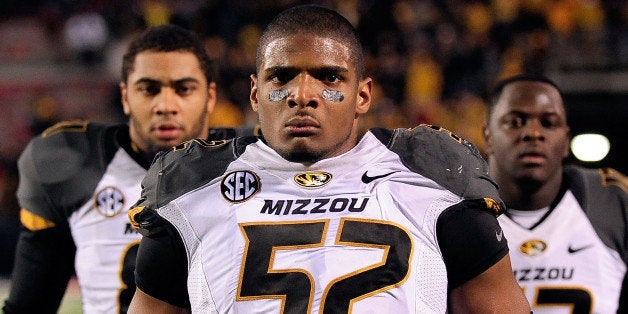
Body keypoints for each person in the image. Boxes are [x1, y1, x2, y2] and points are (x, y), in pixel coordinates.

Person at [127, 5, 530, 313]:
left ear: (363, 95)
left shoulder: (435, 178)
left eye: (330, 77)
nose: (303, 94)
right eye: (281, 77)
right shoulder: (190, 190)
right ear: (254, 93)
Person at [3, 24, 246, 314]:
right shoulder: (72, 163)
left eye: (184, 89)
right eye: (148, 89)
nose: (165, 105)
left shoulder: (251, 161)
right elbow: (30, 306)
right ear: (125, 97)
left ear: (209, 97)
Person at [483, 74, 628, 313]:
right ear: (488, 136)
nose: (533, 133)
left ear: (566, 140)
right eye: (515, 122)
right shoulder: (452, 210)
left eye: (548, 123)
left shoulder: (612, 199)